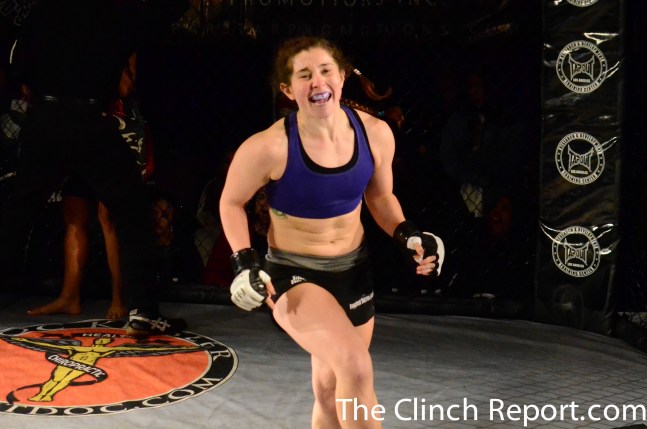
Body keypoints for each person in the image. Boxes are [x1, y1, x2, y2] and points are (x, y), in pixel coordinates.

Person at [219, 36, 445, 429]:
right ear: (288, 90)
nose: (318, 82)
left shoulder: (375, 134)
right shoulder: (269, 147)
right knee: (356, 367)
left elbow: (380, 197)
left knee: (330, 388)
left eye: (325, 71)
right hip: (294, 275)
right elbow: (231, 202)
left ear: (342, 76)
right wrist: (244, 263)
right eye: (304, 75)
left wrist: (407, 234)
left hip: (353, 271)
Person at [0, 0, 189, 336]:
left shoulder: (44, 12)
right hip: (87, 120)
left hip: (46, 119)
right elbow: (162, 13)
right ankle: (143, 310)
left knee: (17, 213)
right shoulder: (111, 12)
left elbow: (20, 72)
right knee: (131, 209)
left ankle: (142, 310)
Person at [26, 54, 150, 319]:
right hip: (80, 127)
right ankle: (69, 297)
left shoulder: (118, 41)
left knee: (109, 216)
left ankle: (120, 297)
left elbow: (125, 86)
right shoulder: (71, 42)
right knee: (74, 211)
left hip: (115, 125)